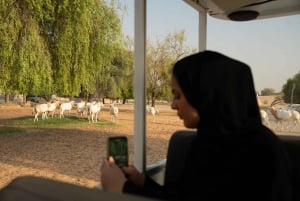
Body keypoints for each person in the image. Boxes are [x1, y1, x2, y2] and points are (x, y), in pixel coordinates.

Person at [100, 50, 293, 201]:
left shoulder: (258, 155)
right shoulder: (209, 143)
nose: (173, 105)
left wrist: (121, 189)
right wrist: (141, 182)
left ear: (205, 95)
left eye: (178, 95)